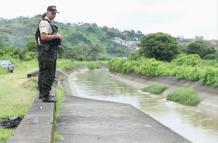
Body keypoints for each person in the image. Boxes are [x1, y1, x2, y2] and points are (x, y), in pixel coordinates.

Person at [36, 6, 63, 102]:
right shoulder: (44, 23)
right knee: (48, 73)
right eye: (52, 13)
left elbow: (42, 40)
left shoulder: (49, 24)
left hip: (49, 52)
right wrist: (57, 36)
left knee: (45, 73)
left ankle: (43, 94)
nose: (54, 15)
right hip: (47, 53)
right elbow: (43, 37)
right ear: (47, 12)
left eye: (55, 13)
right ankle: (45, 95)